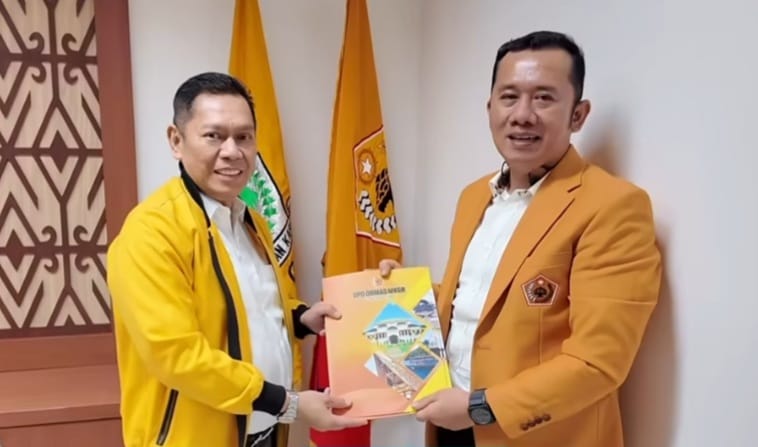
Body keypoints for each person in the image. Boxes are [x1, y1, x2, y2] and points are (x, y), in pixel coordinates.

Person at [380, 31, 662, 447]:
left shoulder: (614, 206)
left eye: (544, 98)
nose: (522, 115)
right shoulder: (473, 196)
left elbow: (598, 362)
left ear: (578, 115)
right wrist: (403, 295)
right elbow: (478, 304)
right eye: (509, 97)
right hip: (449, 427)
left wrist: (479, 408)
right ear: (490, 108)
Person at [107, 72, 366, 447]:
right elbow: (177, 356)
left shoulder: (251, 221)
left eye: (244, 137)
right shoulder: (151, 233)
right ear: (176, 141)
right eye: (214, 136)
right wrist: (288, 404)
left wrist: (299, 318)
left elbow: (249, 306)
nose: (232, 151)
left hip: (264, 430)